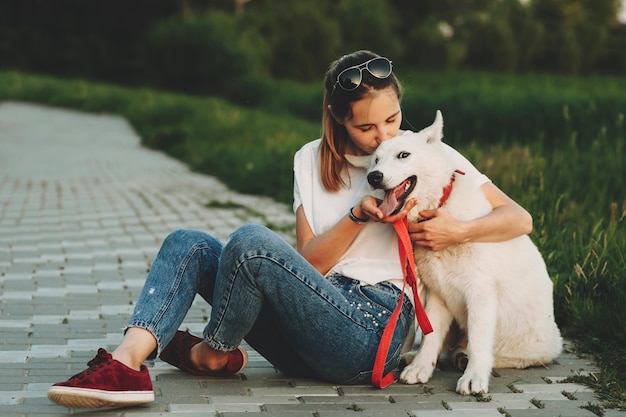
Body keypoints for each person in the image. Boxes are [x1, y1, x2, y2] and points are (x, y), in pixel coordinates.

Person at [47, 50, 532, 409]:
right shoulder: (309, 161)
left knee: (252, 242)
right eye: (367, 128)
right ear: (338, 120)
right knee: (188, 244)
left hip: (369, 333)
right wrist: (357, 215)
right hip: (309, 322)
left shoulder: (422, 154)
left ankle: (214, 351)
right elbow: (311, 263)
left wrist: (453, 232)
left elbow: (518, 219)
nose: (385, 137)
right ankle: (126, 364)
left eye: (392, 118)